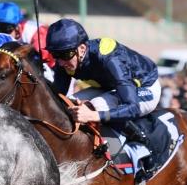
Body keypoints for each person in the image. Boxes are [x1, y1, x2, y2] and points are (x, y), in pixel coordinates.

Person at [46, 18, 161, 175]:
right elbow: (57, 96)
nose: (60, 62)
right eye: (55, 55)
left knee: (94, 105)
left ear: (81, 48)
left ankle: (143, 144)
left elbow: (132, 107)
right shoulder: (67, 60)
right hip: (111, 87)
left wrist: (93, 115)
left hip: (145, 87)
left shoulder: (109, 57)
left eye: (65, 55)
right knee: (69, 104)